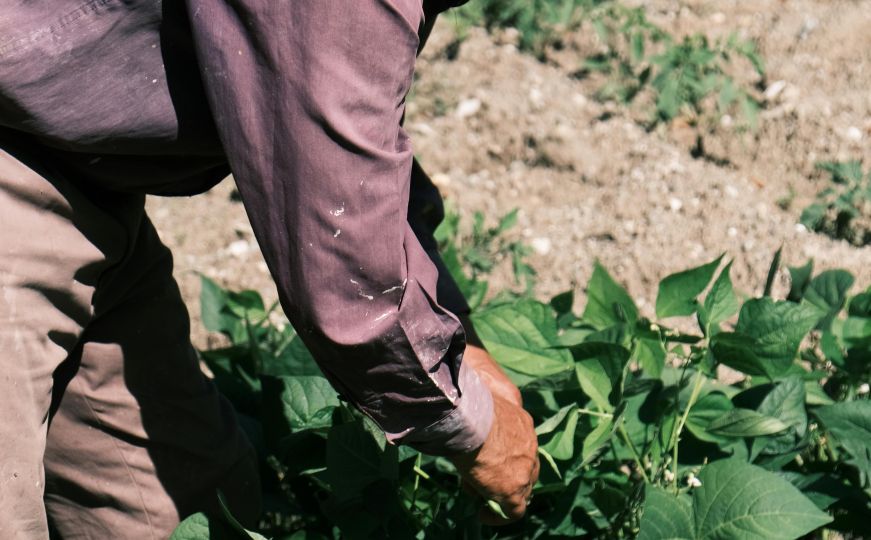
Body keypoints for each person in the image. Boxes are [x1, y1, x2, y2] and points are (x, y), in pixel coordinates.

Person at [0, 0, 540, 538]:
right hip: (19, 148)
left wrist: (456, 337)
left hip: (67, 165)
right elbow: (345, 264)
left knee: (188, 511)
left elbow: (334, 127)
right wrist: (478, 430)